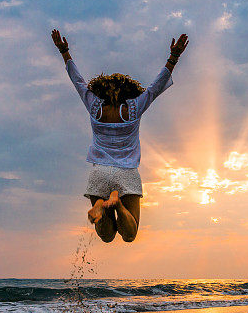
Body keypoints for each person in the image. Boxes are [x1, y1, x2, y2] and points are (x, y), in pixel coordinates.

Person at [51, 28, 188, 243]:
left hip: (99, 173)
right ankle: (118, 203)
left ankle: (102, 206)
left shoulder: (95, 106)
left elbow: (77, 81)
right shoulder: (134, 108)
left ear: (101, 90)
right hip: (126, 172)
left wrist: (64, 51)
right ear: (128, 91)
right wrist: (174, 57)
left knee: (106, 236)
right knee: (129, 234)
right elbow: (155, 87)